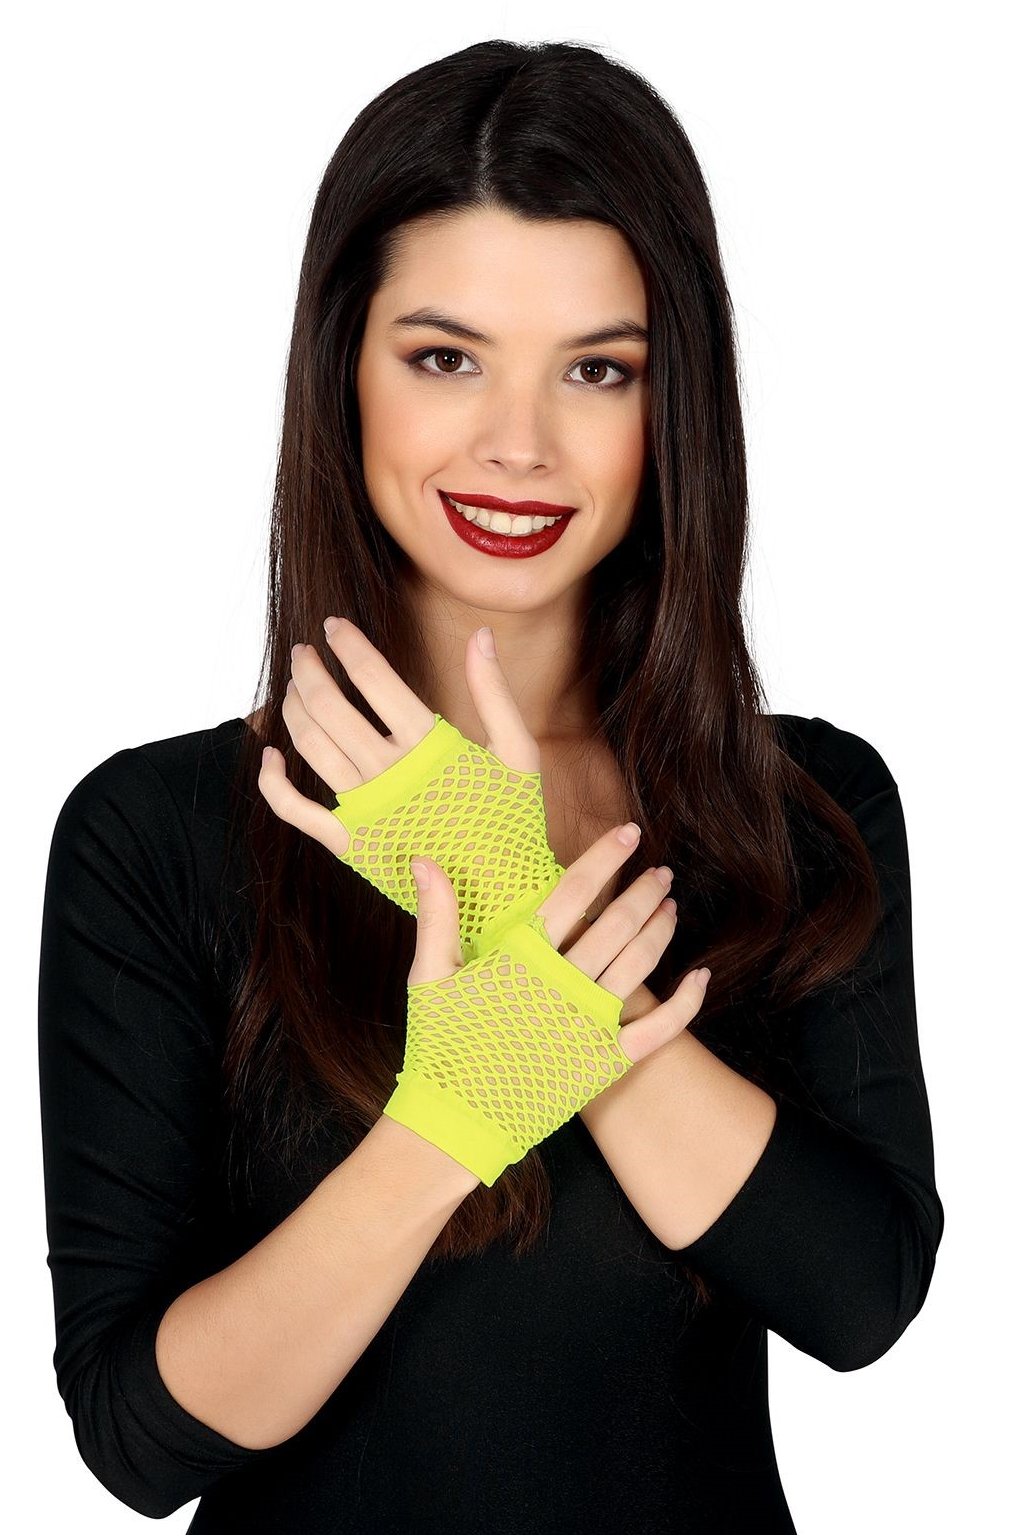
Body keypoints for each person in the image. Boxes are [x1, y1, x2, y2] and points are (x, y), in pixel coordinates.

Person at [37, 38, 944, 1536]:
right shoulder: (157, 834)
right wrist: (446, 1124)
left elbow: (859, 1297)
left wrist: (519, 902)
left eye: (597, 370)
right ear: (345, 370)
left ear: (673, 405)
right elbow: (141, 1440)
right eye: (445, 357)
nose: (518, 445)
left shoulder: (800, 807)